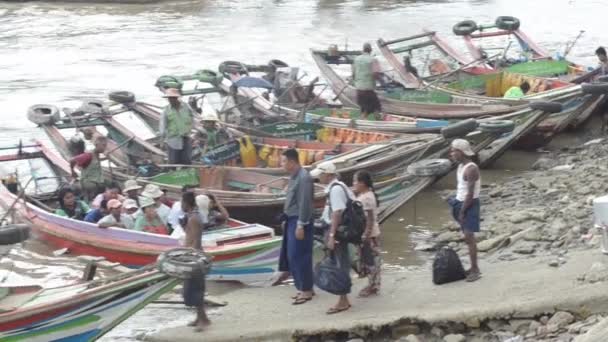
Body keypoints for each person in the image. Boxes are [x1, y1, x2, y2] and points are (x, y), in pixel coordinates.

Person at [310, 161, 352, 314]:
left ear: (327, 175)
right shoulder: (338, 187)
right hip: (335, 230)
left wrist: (332, 235)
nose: (318, 178)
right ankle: (343, 298)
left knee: (339, 264)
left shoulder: (335, 190)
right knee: (339, 262)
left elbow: (337, 213)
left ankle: (343, 300)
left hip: (337, 231)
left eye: (320, 175)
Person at [280, 148, 314, 305]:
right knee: (291, 255)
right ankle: (303, 287)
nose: (282, 164)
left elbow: (305, 203)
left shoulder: (304, 178)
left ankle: (306, 290)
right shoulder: (294, 176)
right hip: (291, 219)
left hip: (300, 220)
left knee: (299, 255)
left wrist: (301, 225)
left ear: (292, 162)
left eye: (284, 161)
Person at [448, 139, 482, 282]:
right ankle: (473, 268)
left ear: (461, 152)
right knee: (468, 237)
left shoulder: (471, 169)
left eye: (454, 151)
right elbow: (462, 189)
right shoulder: (461, 166)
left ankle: (475, 269)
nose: (452, 154)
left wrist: (462, 212)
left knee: (469, 237)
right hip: (460, 202)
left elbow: (470, 193)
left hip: (469, 205)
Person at [181, 191, 211, 331]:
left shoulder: (194, 218)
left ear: (186, 203)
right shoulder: (193, 216)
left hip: (195, 256)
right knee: (194, 289)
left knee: (195, 290)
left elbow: (195, 241)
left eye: (182, 202)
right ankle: (200, 318)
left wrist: (189, 257)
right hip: (195, 255)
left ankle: (203, 320)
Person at [353, 170, 382, 297]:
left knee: (371, 260)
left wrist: (366, 234)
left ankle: (373, 286)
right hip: (365, 233)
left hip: (369, 234)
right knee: (367, 259)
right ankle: (372, 284)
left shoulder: (367, 198)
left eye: (355, 181)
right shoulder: (364, 195)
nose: (354, 183)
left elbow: (370, 218)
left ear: (362, 183)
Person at [159, 88, 194, 165]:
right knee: (173, 161)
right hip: (173, 139)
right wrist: (162, 140)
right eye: (169, 98)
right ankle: (174, 174)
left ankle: (187, 174)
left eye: (173, 98)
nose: (171, 100)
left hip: (186, 137)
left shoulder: (186, 107)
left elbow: (192, 117)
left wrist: (191, 129)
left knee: (187, 160)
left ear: (176, 98)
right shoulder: (166, 110)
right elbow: (162, 126)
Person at [70, 135, 107, 202]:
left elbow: (95, 161)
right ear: (96, 144)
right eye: (103, 145)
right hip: (89, 184)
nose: (105, 148)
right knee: (89, 200)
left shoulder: (97, 154)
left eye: (105, 146)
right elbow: (72, 160)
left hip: (96, 183)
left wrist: (106, 158)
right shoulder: (88, 155)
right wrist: (73, 172)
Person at [351, 42, 382, 119]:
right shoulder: (373, 60)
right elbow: (376, 74)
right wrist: (380, 81)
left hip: (359, 90)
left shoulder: (356, 59)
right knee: (376, 108)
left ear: (363, 50)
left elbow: (353, 74)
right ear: (370, 50)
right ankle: (378, 124)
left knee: (365, 109)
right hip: (369, 90)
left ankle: (362, 122)